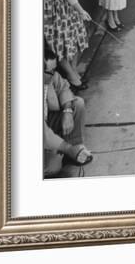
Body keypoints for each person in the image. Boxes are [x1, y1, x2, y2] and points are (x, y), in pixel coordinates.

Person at [43, 40, 93, 178]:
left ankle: (75, 146)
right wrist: (67, 148)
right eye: (50, 72)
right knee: (53, 169)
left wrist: (67, 111)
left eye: (55, 70)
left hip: (48, 120)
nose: (54, 74)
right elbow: (43, 133)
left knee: (78, 103)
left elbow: (64, 87)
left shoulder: (50, 76)